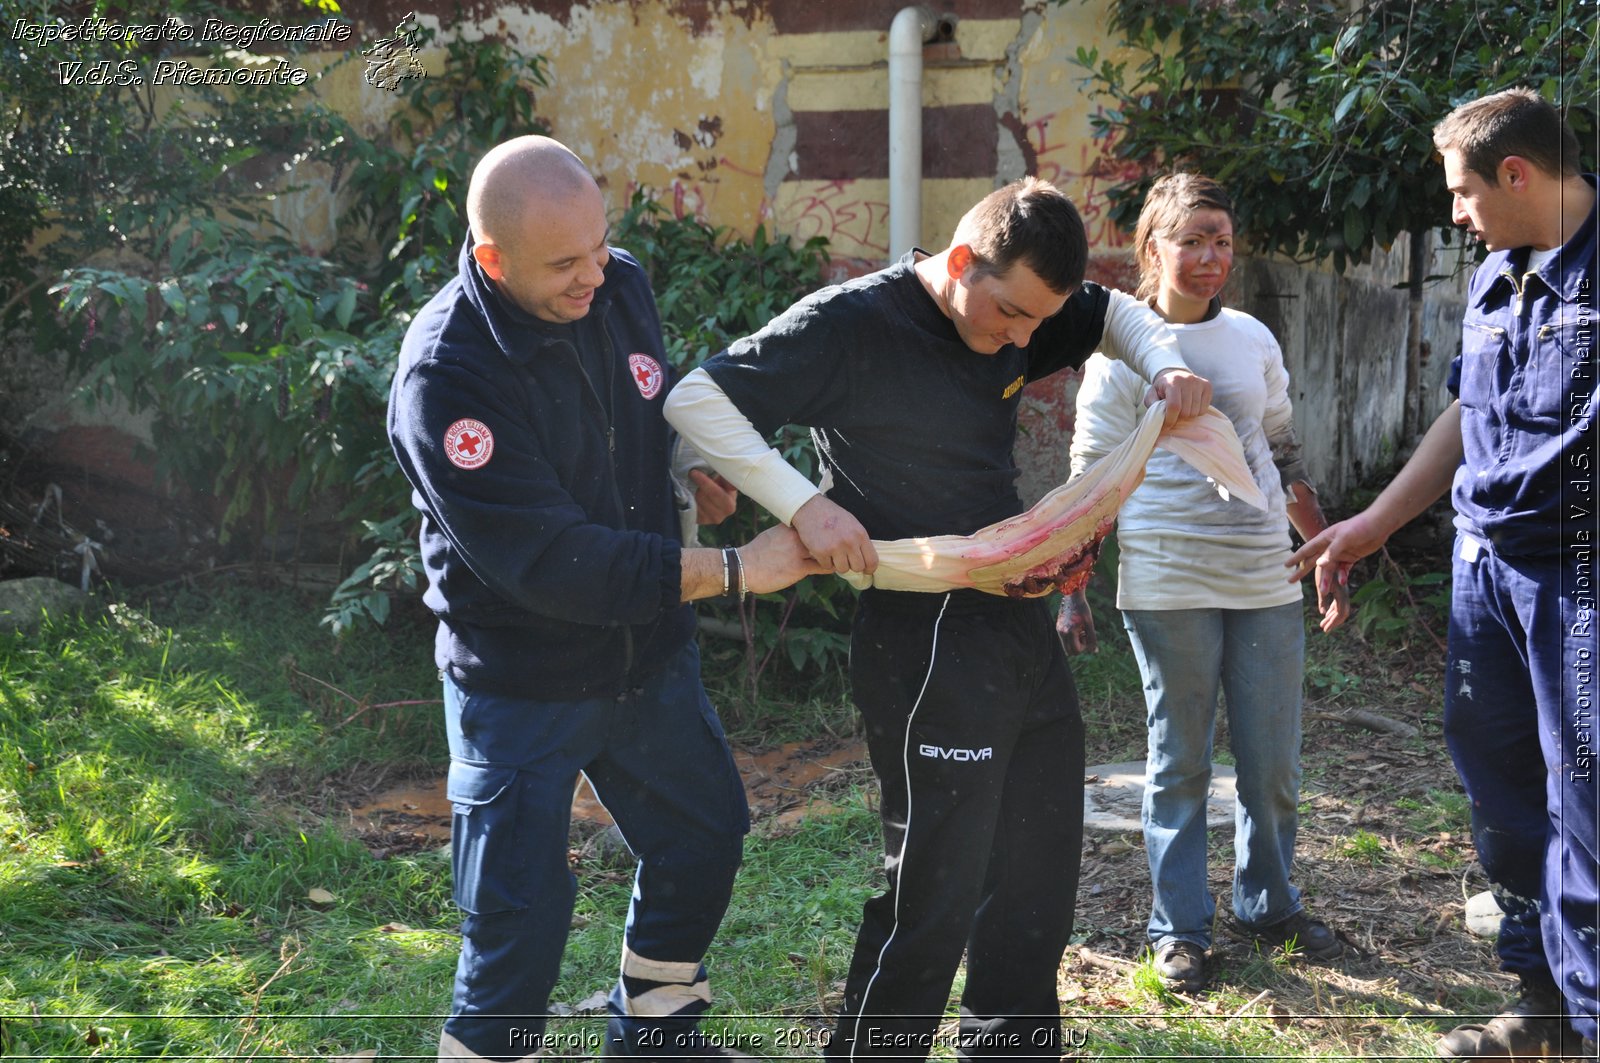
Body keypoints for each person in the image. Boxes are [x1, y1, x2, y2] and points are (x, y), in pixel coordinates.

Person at [664, 176, 1213, 1060]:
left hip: (1017, 625)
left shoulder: (1024, 307)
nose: (1023, 341)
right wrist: (804, 505)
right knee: (934, 886)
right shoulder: (849, 324)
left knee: (1037, 869)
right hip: (920, 637)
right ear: (960, 261)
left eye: (1038, 323)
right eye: (1008, 315)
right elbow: (695, 398)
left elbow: (1113, 312)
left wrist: (1168, 365)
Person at [387, 135, 825, 1063]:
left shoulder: (617, 282)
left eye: (600, 243)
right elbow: (556, 560)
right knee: (520, 917)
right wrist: (739, 568)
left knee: (704, 838)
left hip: (645, 658)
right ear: (491, 258)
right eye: (564, 263)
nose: (596, 274)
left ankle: (656, 1036)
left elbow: (643, 413)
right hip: (523, 680)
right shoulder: (446, 375)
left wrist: (686, 467)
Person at [1288, 88, 1598, 1059]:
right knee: (1500, 791)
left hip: (1578, 580)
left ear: (1517, 174)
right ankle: (1540, 1000)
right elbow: (1467, 416)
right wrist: (1372, 524)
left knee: (1586, 800)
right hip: (1484, 570)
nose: (1454, 214)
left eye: (1463, 193)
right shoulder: (1494, 272)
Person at [1057, 173, 1351, 994]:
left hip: (1264, 573)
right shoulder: (1120, 349)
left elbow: (1283, 451)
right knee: (1179, 759)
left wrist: (1322, 546)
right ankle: (1179, 928)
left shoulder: (1253, 337)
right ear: (1153, 247)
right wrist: (1071, 587)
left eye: (1221, 239)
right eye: (1191, 240)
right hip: (1168, 578)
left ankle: (1268, 901)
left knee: (1271, 761)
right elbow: (1090, 477)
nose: (1210, 256)